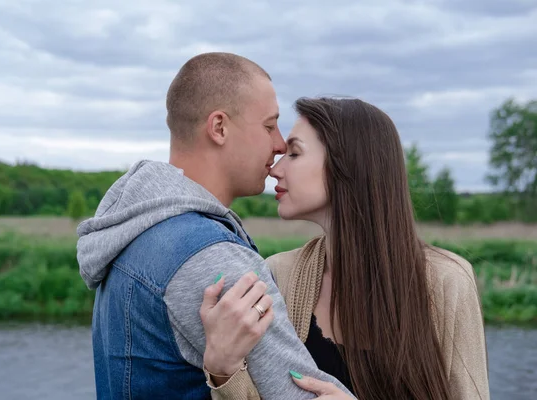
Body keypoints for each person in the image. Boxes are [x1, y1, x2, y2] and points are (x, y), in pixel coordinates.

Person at [76, 53, 354, 399]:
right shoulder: (208, 258)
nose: (279, 143)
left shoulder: (135, 230)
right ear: (219, 127)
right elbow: (299, 392)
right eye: (269, 125)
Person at [201, 97, 490, 399]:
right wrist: (224, 368)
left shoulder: (448, 281)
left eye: (294, 153)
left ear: (347, 164)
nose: (275, 169)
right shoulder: (279, 273)